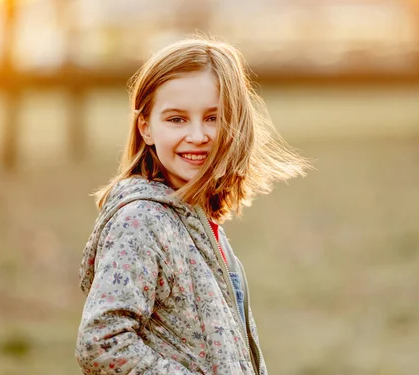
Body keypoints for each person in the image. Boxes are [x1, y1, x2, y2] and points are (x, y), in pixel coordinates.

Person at [75, 37, 310, 375]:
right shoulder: (141, 220)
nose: (198, 135)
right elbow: (101, 342)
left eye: (213, 118)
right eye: (177, 119)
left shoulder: (195, 218)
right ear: (147, 128)